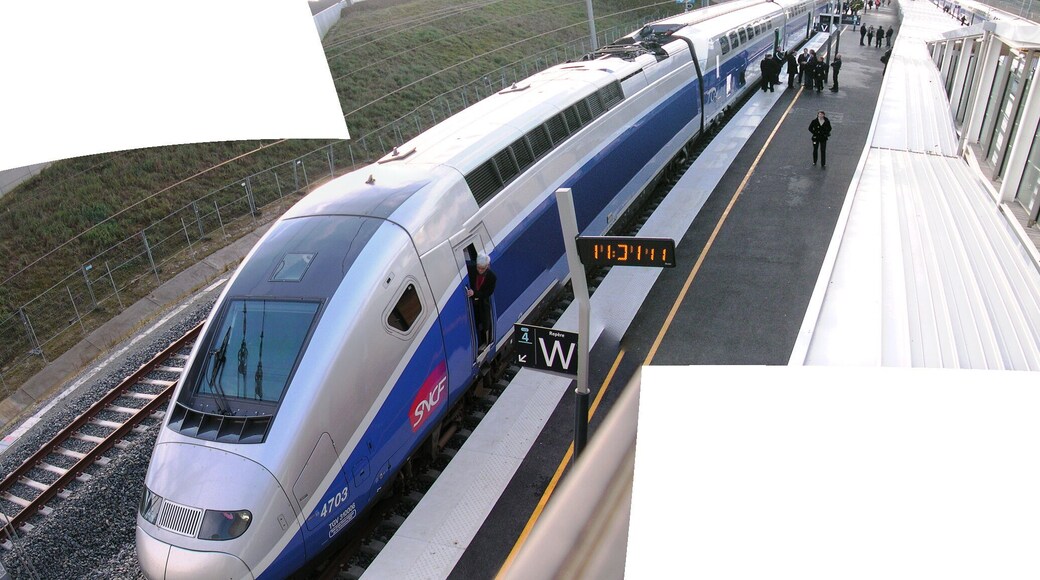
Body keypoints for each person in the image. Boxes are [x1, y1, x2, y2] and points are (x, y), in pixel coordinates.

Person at [466, 252, 497, 350]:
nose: (480, 270)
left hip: (482, 303)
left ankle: (483, 339)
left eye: (482, 268)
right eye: (478, 267)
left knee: (483, 322)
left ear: (487, 266)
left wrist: (474, 293)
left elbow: (487, 293)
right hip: (472, 302)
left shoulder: (492, 277)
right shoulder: (471, 268)